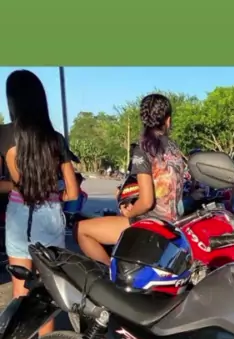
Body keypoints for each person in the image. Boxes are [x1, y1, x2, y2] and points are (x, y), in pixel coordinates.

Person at [0, 70, 79, 307]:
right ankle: (46, 333)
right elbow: (73, 193)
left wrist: (16, 186)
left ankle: (19, 332)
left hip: (18, 216)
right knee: (47, 293)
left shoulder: (3, 134)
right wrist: (54, 194)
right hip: (50, 216)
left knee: (20, 291)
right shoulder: (55, 138)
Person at [77, 94, 185, 265]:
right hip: (173, 223)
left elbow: (147, 202)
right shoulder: (175, 149)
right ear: (168, 120)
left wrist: (129, 212)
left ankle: (110, 274)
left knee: (81, 230)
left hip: (149, 223)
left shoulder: (144, 148)